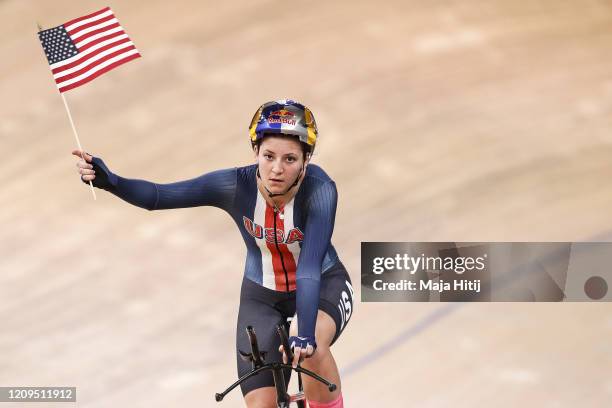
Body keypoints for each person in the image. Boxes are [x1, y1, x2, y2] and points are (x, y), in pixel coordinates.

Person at [73, 99, 353, 408]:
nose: (277, 168)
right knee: (261, 405)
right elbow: (158, 196)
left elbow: (309, 268)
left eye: (290, 159)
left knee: (309, 348)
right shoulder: (233, 185)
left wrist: (305, 335)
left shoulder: (320, 189)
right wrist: (111, 182)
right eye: (269, 156)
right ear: (255, 152)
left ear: (305, 161)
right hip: (262, 295)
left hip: (322, 282)